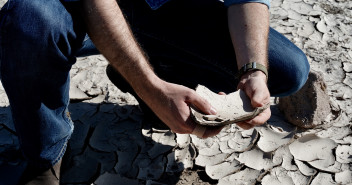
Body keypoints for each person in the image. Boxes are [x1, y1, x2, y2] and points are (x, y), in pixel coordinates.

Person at [0, 0, 310, 184]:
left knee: (287, 70)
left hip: (163, 6)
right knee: (29, 23)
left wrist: (252, 70)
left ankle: (164, 72)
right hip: (79, 8)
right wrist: (148, 86)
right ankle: (45, 153)